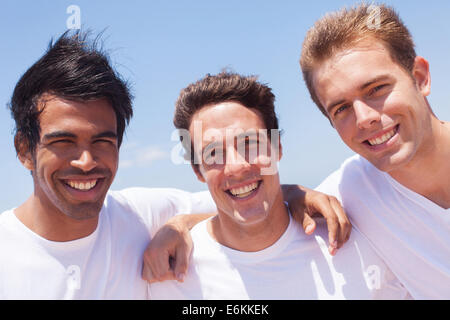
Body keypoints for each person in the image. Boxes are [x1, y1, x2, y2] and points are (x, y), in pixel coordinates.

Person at [0, 31, 349, 299]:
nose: (86, 161)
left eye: (102, 142)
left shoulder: (138, 215)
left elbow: (234, 195)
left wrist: (297, 194)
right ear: (24, 149)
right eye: (63, 142)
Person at [149, 71, 411, 299]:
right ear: (198, 170)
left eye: (250, 144)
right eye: (214, 154)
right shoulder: (170, 275)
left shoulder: (358, 243)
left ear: (277, 148)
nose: (237, 167)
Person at [298, 2, 450, 299]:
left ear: (420, 78)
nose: (365, 118)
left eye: (377, 89)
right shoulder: (352, 189)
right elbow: (241, 217)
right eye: (341, 108)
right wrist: (294, 196)